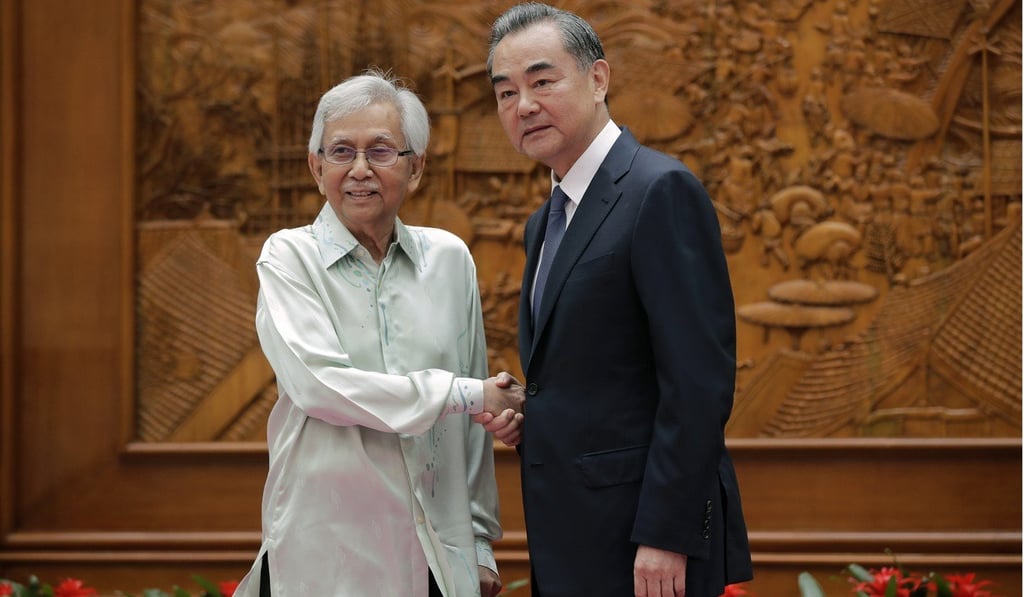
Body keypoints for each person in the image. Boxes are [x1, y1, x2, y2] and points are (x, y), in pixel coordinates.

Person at [486, 4, 753, 596]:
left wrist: (668, 533)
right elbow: (603, 377)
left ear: (598, 79)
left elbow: (699, 383)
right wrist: (532, 414)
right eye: (505, 93)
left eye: (541, 81)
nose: (523, 106)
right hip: (572, 535)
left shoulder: (659, 190)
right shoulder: (543, 222)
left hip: (645, 546)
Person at [234, 69, 524, 597]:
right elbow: (320, 385)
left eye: (382, 151)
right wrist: (461, 393)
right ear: (315, 167)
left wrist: (480, 543)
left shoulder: (450, 259)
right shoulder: (288, 257)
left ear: (415, 169)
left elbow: (472, 426)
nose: (360, 170)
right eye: (341, 152)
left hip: (437, 553)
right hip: (326, 555)